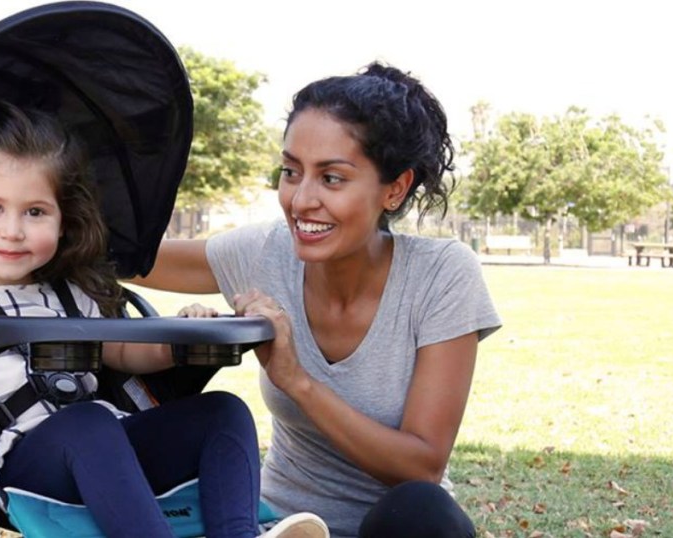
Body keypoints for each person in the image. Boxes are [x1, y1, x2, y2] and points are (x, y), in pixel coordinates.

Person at [0, 97, 328, 538]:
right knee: (86, 422)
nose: (13, 230)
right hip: (20, 465)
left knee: (223, 412)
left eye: (35, 212)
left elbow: (122, 351)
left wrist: (177, 340)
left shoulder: (69, 291)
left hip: (109, 450)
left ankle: (239, 533)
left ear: (63, 221)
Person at [132, 62, 502, 538]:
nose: (301, 199)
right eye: (291, 171)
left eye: (332, 178)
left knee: (419, 508)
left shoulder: (441, 274)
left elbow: (422, 466)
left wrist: (296, 380)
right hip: (288, 525)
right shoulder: (266, 252)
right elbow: (133, 257)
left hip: (400, 526)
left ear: (395, 188)